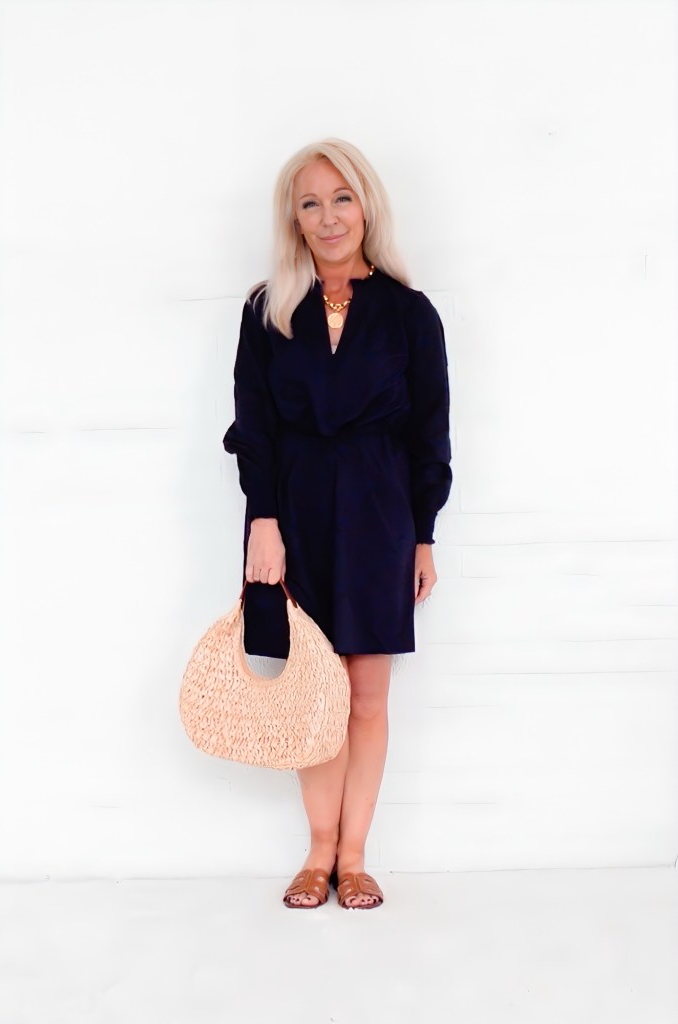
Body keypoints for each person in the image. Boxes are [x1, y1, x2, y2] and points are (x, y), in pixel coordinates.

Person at [223, 138, 452, 909]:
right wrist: (263, 520)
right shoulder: (266, 308)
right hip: (294, 512)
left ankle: (354, 857)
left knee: (364, 698)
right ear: (293, 217)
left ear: (366, 206)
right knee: (311, 694)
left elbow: (429, 433)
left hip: (380, 512)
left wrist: (423, 534)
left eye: (342, 198)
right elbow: (253, 426)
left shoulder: (409, 313)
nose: (328, 217)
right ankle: (316, 852)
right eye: (311, 202)